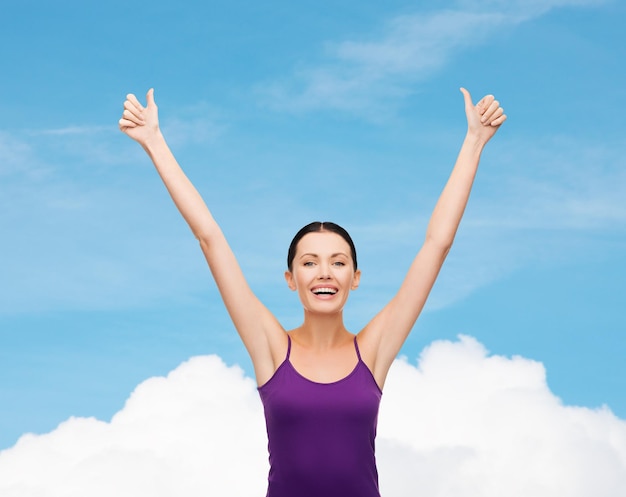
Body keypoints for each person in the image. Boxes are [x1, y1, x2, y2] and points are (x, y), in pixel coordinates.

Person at [118, 87, 506, 497]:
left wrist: (474, 141)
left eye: (338, 262)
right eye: (310, 262)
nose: (325, 273)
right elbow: (209, 238)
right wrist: (155, 142)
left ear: (355, 277)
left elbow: (436, 244)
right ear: (291, 278)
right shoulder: (270, 348)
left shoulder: (373, 351)